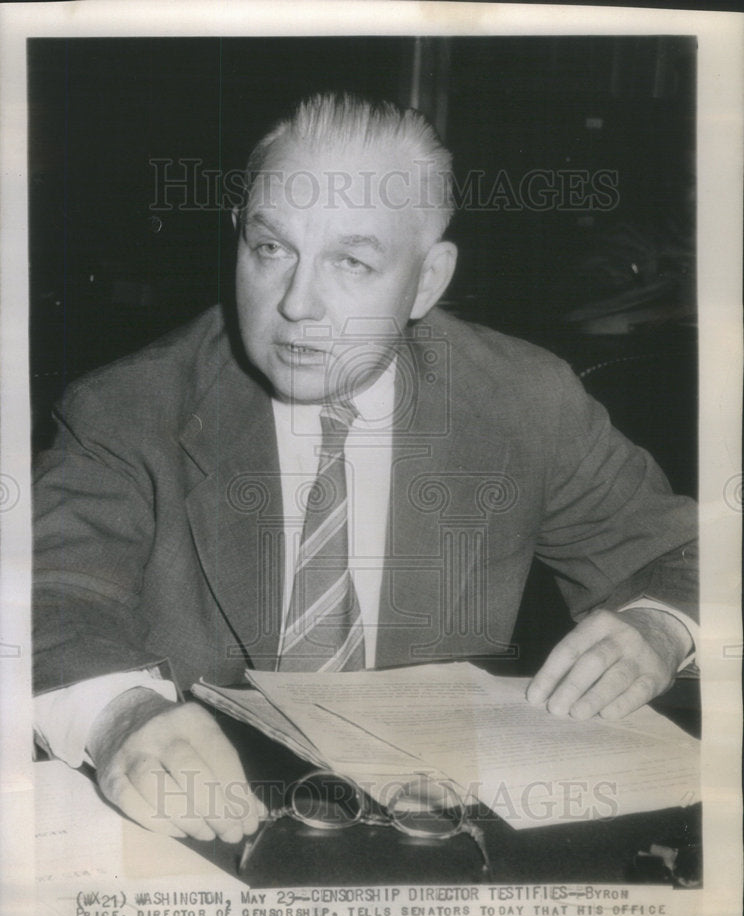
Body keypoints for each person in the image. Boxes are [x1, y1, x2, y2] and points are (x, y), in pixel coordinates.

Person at [33, 93, 698, 844]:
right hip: (207, 838)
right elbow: (46, 597)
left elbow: (694, 552)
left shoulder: (521, 401)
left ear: (426, 282)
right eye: (271, 249)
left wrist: (661, 629)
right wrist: (123, 716)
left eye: (351, 261)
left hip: (434, 848)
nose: (296, 304)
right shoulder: (128, 407)